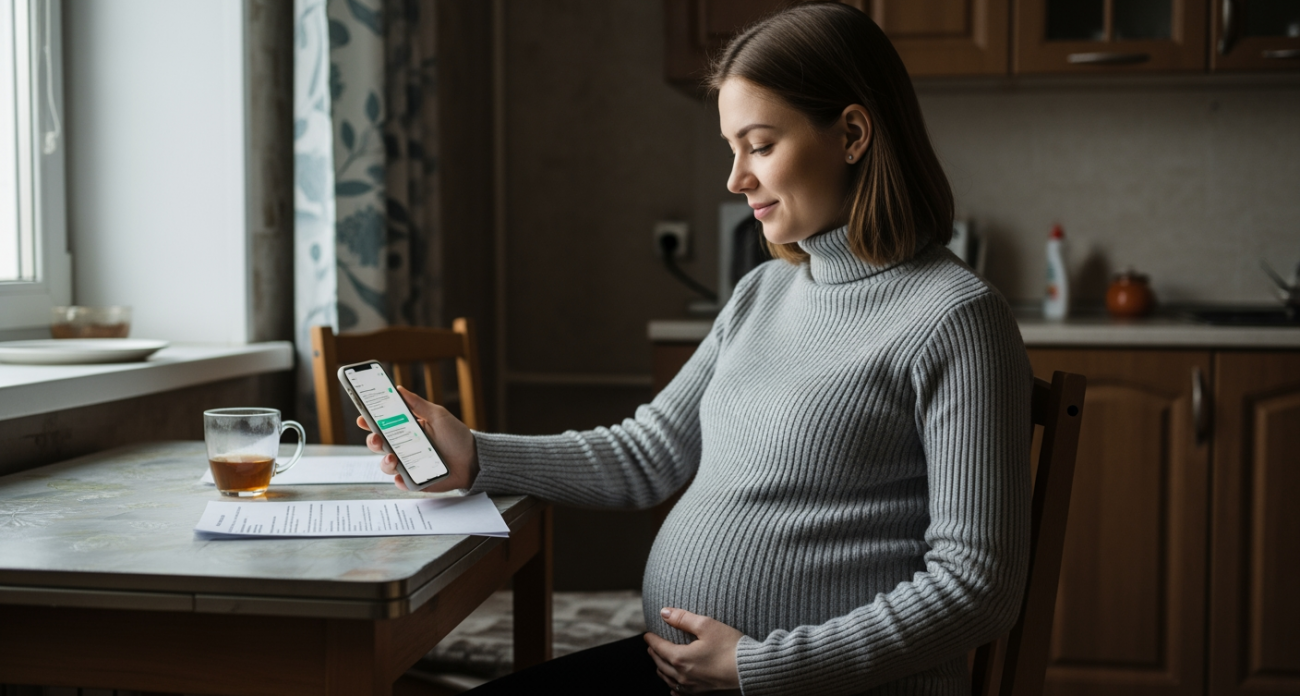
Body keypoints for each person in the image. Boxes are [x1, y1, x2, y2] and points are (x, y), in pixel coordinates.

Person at [359, 3, 1033, 694]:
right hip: (684, 675)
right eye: (731, 148)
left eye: (761, 145)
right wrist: (477, 454)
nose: (736, 178)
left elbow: (976, 585)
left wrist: (760, 667)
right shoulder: (763, 292)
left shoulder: (955, 317)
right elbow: (646, 454)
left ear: (853, 134)